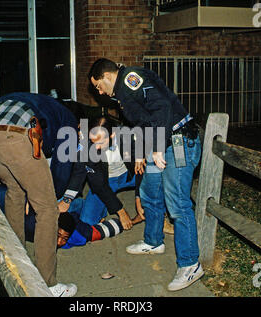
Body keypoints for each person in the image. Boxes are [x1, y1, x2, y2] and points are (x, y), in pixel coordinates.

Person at [88, 58, 203, 292]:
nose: (99, 91)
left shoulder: (131, 80)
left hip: (179, 143)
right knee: (149, 192)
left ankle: (191, 265)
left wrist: (158, 147)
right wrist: (141, 152)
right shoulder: (121, 92)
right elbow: (142, 122)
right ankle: (153, 241)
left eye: (98, 85)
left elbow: (161, 108)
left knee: (178, 204)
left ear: (107, 76)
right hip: (158, 144)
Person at [0, 92, 77, 297]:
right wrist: (49, 195)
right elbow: (63, 166)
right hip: (17, 138)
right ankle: (47, 286)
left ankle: (15, 261)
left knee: (15, 191)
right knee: (47, 210)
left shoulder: (34, 100)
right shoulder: (69, 120)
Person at [58, 116, 144, 228]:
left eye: (101, 142)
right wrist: (121, 211)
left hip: (130, 175)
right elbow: (98, 184)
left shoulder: (128, 136)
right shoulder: (87, 146)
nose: (96, 147)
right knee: (88, 221)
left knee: (154, 171)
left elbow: (144, 171)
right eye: (93, 142)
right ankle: (81, 204)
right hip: (107, 180)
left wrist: (140, 196)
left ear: (113, 135)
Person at [57, 210, 129, 249]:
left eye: (65, 239)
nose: (59, 242)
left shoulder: (82, 236)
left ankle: (101, 211)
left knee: (90, 221)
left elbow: (114, 226)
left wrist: (133, 221)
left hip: (76, 211)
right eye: (58, 235)